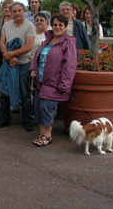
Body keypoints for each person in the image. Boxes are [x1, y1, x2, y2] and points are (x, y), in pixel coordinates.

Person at [30, 14, 77, 147]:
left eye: (60, 25)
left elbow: (70, 66)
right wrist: (33, 69)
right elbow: (37, 56)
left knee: (47, 108)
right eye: (55, 24)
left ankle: (48, 135)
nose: (57, 27)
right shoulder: (47, 40)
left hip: (54, 83)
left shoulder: (68, 43)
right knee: (38, 108)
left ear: (65, 27)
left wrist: (64, 84)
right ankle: (41, 133)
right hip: (41, 82)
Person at [0, 2, 36, 131]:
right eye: (14, 11)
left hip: (23, 64)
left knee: (24, 93)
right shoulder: (7, 25)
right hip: (8, 63)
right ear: (11, 12)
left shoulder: (30, 26)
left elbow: (29, 46)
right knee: (4, 92)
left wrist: (10, 55)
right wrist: (8, 56)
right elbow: (2, 42)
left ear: (24, 11)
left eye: (19, 10)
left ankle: (27, 120)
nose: (17, 13)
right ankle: (5, 119)